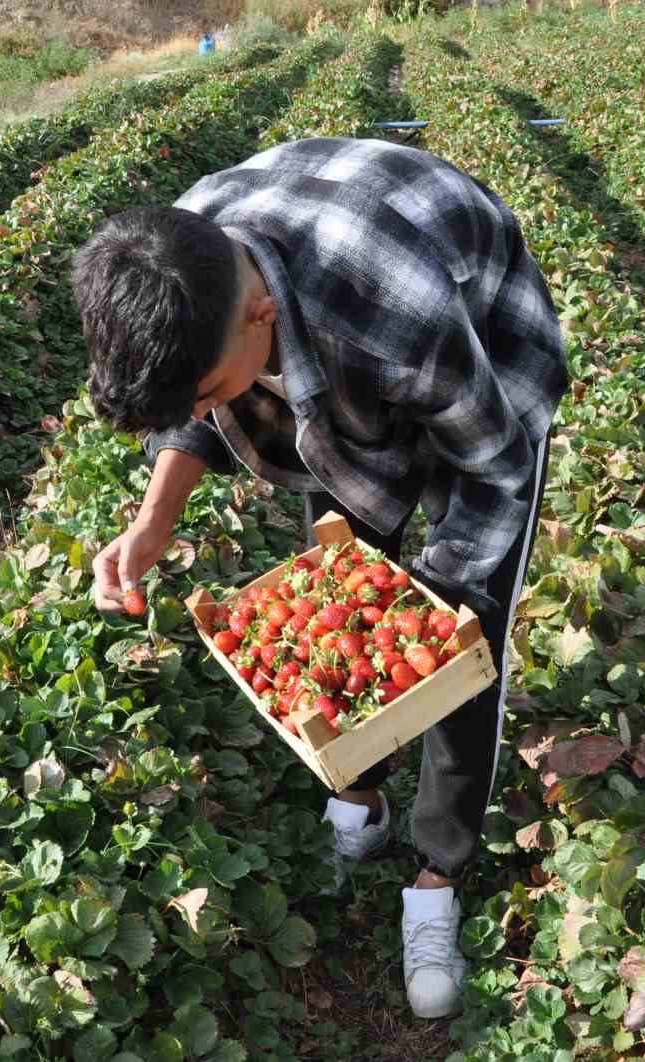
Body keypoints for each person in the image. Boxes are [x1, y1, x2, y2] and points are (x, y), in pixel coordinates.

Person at [70, 137, 566, 1020]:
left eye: (212, 388)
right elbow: (194, 398)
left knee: (459, 644)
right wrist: (154, 521)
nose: (200, 410)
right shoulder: (181, 263)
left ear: (259, 314)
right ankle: (361, 796)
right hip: (333, 315)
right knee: (342, 579)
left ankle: (436, 874)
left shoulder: (390, 319)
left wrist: (430, 608)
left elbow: (496, 467)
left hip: (480, 349)